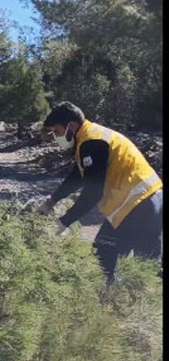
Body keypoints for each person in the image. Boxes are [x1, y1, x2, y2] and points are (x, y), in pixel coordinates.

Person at [36, 101, 162, 283]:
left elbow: (93, 192)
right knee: (147, 267)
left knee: (103, 254)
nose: (56, 137)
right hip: (152, 200)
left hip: (136, 206)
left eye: (56, 131)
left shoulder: (91, 142)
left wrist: (64, 221)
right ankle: (140, 306)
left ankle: (110, 304)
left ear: (70, 126)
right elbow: (79, 176)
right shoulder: (91, 137)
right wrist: (52, 200)